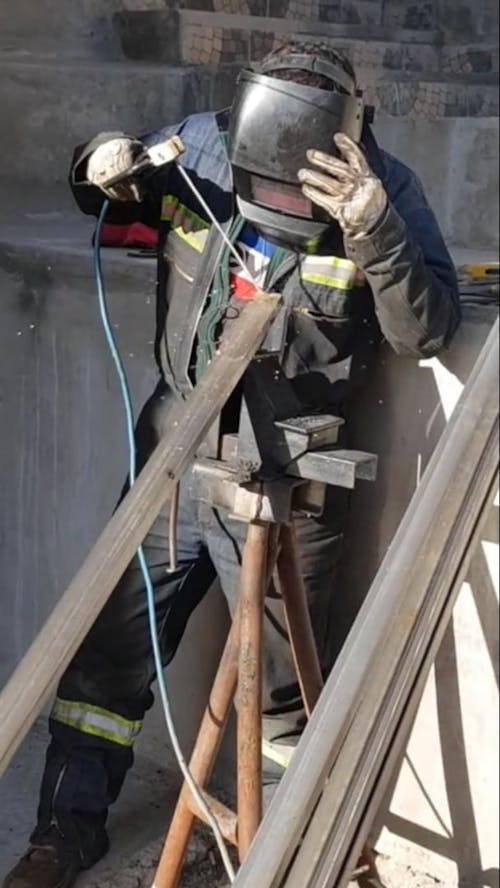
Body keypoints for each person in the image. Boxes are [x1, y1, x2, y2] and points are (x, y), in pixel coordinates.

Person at [3, 39, 460, 888]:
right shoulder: (201, 149)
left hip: (296, 473)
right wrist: (97, 165)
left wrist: (372, 231)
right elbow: (113, 203)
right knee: (107, 658)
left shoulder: (382, 189)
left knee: (285, 701)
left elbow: (426, 326)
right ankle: (63, 833)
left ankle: (275, 852)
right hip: (176, 451)